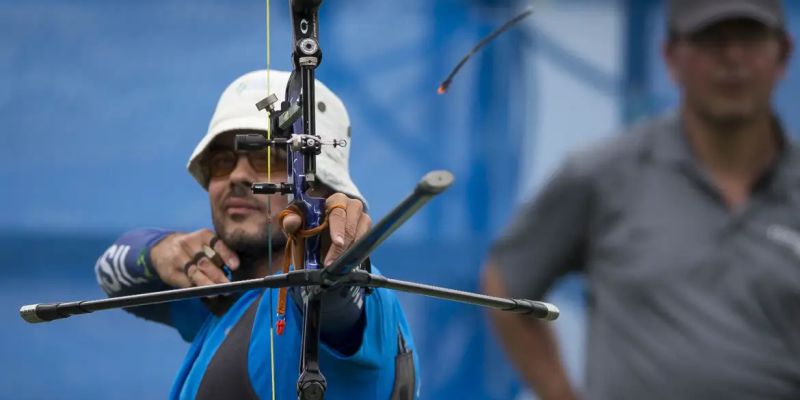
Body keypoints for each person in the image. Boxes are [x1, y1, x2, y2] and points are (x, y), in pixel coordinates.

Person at [482, 1, 799, 399]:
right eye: (710, 38)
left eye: (749, 37)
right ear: (670, 57)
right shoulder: (602, 175)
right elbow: (506, 278)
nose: (732, 57)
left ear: (783, 53)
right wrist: (559, 392)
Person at [94, 70, 419, 399]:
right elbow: (111, 272)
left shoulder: (361, 300)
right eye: (222, 161)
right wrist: (161, 250)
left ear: (321, 186)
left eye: (269, 158)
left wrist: (332, 260)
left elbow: (335, 306)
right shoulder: (221, 291)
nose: (237, 175)